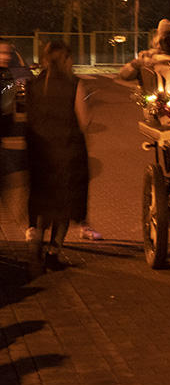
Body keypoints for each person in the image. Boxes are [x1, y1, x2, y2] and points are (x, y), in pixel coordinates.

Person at [25, 41, 91, 273]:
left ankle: (37, 239)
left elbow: (28, 119)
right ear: (65, 60)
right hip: (67, 153)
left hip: (40, 154)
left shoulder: (34, 85)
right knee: (64, 206)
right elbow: (84, 121)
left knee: (44, 201)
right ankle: (53, 255)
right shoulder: (74, 84)